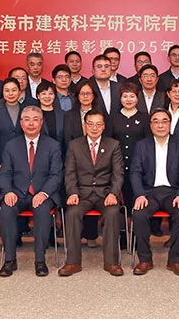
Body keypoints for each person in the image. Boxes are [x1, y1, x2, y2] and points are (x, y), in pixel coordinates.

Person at [0, 106, 63, 277]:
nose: (31, 123)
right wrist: (8, 192)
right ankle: (10, 260)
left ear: (41, 122)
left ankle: (40, 261)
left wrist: (44, 193)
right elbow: (4, 174)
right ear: (21, 123)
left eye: (35, 119)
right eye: (27, 119)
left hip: (42, 193)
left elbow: (56, 175)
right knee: (6, 210)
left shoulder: (53, 145)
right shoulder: (11, 146)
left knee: (42, 211)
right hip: (17, 193)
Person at [59, 111, 126, 276]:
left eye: (98, 124)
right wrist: (72, 192)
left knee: (112, 213)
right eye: (90, 124)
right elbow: (69, 173)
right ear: (85, 125)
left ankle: (111, 262)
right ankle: (73, 262)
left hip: (106, 193)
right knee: (72, 213)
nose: (94, 128)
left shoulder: (113, 145)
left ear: (103, 127)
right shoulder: (75, 145)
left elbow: (118, 174)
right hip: (82, 193)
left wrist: (114, 193)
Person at [130, 109, 179, 276]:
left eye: (164, 121)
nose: (160, 125)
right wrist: (140, 194)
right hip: (149, 192)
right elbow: (135, 172)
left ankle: (175, 260)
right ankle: (145, 259)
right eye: (156, 122)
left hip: (173, 192)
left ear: (170, 124)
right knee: (139, 214)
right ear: (151, 125)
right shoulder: (142, 145)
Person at [106, 82, 152, 244]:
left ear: (137, 98)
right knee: (118, 205)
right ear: (120, 98)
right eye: (125, 96)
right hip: (116, 168)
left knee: (136, 203)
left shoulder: (145, 118)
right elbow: (108, 142)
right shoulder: (112, 118)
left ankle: (138, 236)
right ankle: (122, 236)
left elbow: (148, 144)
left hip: (138, 169)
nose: (128, 99)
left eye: (132, 96)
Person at [0, 78, 27, 158]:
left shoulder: (26, 110)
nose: (10, 93)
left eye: (14, 90)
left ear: (19, 92)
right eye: (7, 91)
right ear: (3, 92)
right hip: (3, 155)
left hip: (24, 155)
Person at [35, 81, 65, 149]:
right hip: (39, 151)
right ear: (38, 96)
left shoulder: (63, 114)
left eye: (51, 93)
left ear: (55, 96)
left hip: (59, 152)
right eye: (43, 94)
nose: (47, 96)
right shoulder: (33, 114)